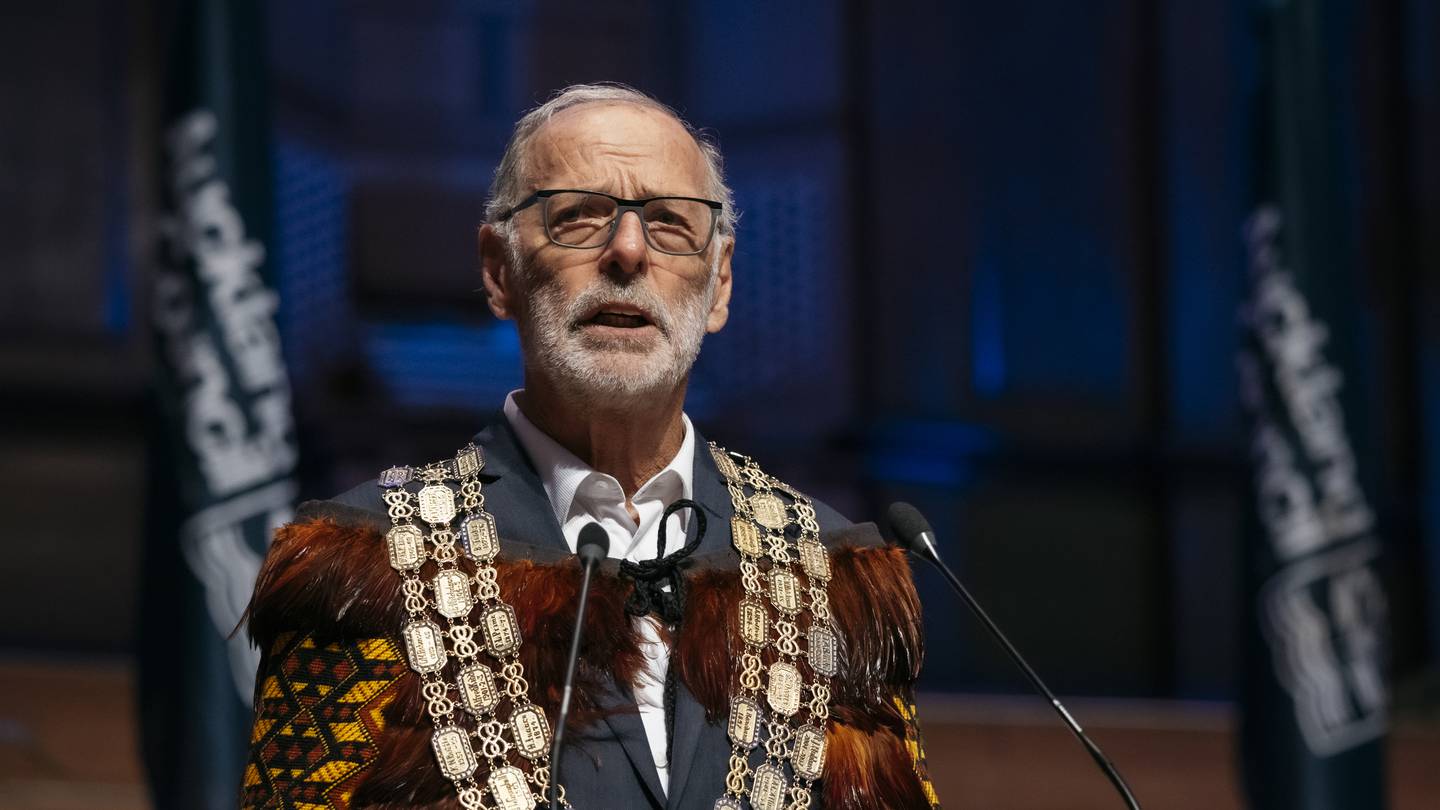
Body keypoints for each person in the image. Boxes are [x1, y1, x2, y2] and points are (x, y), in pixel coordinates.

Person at [241, 83, 939, 810]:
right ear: (498, 270)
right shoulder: (361, 570)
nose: (629, 251)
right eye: (579, 217)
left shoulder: (834, 577)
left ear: (721, 282)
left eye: (670, 223)